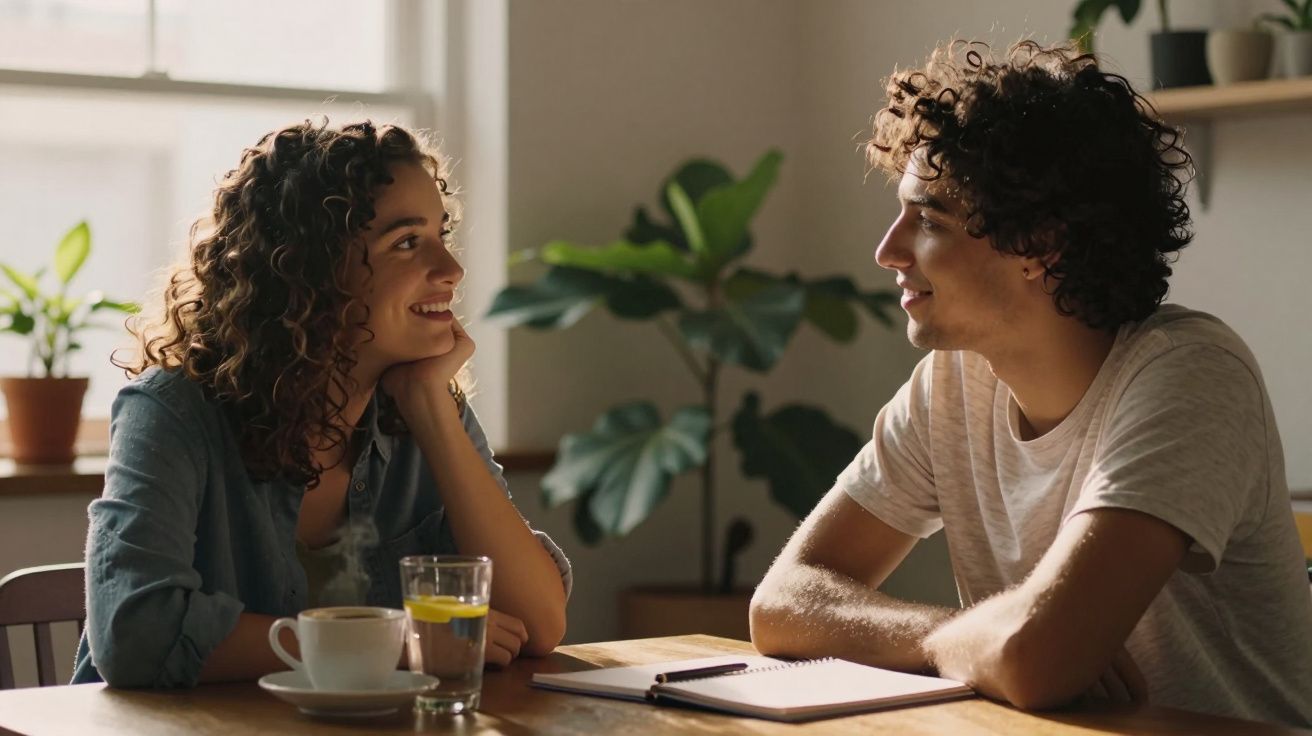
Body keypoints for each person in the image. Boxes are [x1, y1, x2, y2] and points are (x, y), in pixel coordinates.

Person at [749, 40, 1312, 726]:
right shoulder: (951, 386)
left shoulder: (1190, 375)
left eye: (928, 219)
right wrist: (959, 637)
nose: (888, 251)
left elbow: (1035, 660)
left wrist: (1013, 645)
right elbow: (782, 604)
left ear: (1040, 246)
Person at [72, 120, 571, 688]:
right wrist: (390, 643)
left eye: (442, 234)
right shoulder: (171, 413)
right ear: (309, 270)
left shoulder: (428, 408)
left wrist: (430, 407)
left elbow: (538, 624)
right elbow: (135, 634)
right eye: (408, 242)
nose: (451, 272)